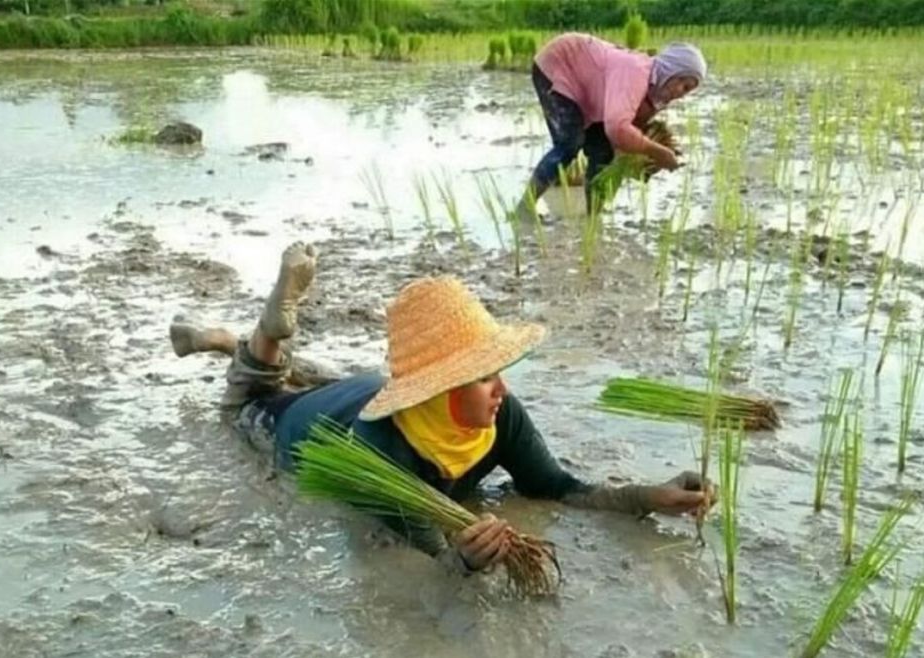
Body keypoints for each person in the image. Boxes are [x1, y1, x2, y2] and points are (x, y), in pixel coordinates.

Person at [171, 242, 715, 574]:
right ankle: (260, 332)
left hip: (365, 390)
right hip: (307, 423)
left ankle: (232, 340)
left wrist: (650, 495)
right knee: (248, 401)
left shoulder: (498, 413)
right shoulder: (380, 459)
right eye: (483, 377)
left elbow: (558, 487)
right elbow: (434, 557)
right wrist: (466, 561)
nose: (500, 389)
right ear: (439, 389)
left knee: (300, 372)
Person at [517, 33, 706, 221]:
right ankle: (524, 209)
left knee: (603, 152)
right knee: (570, 143)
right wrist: (658, 152)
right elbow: (617, 128)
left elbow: (625, 133)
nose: (682, 93)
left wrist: (638, 160)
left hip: (589, 89)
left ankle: (593, 216)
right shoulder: (636, 71)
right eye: (684, 84)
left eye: (688, 90)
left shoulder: (657, 94)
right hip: (560, 63)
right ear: (671, 70)